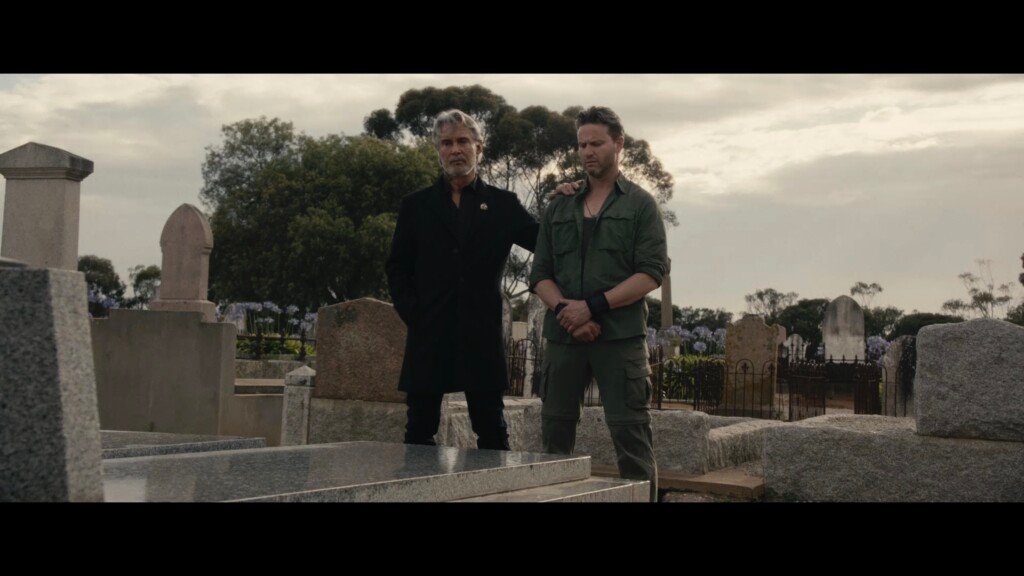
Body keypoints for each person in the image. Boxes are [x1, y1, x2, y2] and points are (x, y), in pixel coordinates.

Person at [529, 106, 668, 501]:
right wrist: (566, 312)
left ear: (618, 144)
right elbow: (539, 275)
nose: (588, 151)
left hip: (620, 339)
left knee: (632, 438)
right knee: (554, 439)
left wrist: (591, 307)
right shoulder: (560, 205)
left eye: (596, 143)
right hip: (564, 338)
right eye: (582, 145)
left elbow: (651, 273)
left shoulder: (640, 206)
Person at [385, 109, 539, 450]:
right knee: (418, 432)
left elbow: (545, 243)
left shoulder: (503, 205)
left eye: (463, 141)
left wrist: (567, 204)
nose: (455, 149)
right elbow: (397, 267)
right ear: (438, 150)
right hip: (428, 333)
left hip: (481, 334)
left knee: (492, 431)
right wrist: (414, 313)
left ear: (478, 148)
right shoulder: (416, 206)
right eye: (447, 143)